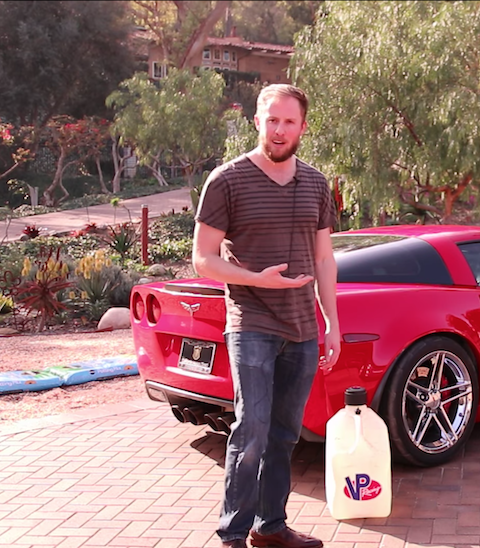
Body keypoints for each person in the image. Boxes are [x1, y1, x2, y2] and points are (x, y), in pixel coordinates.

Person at [192, 84, 341, 548]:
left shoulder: (316, 183)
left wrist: (332, 322)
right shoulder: (227, 180)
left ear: (303, 126)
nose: (279, 130)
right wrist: (259, 279)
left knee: (284, 434)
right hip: (251, 322)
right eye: (271, 120)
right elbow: (203, 258)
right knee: (250, 430)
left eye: (289, 121)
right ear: (257, 121)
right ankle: (232, 534)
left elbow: (323, 260)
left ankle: (270, 527)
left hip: (302, 329)